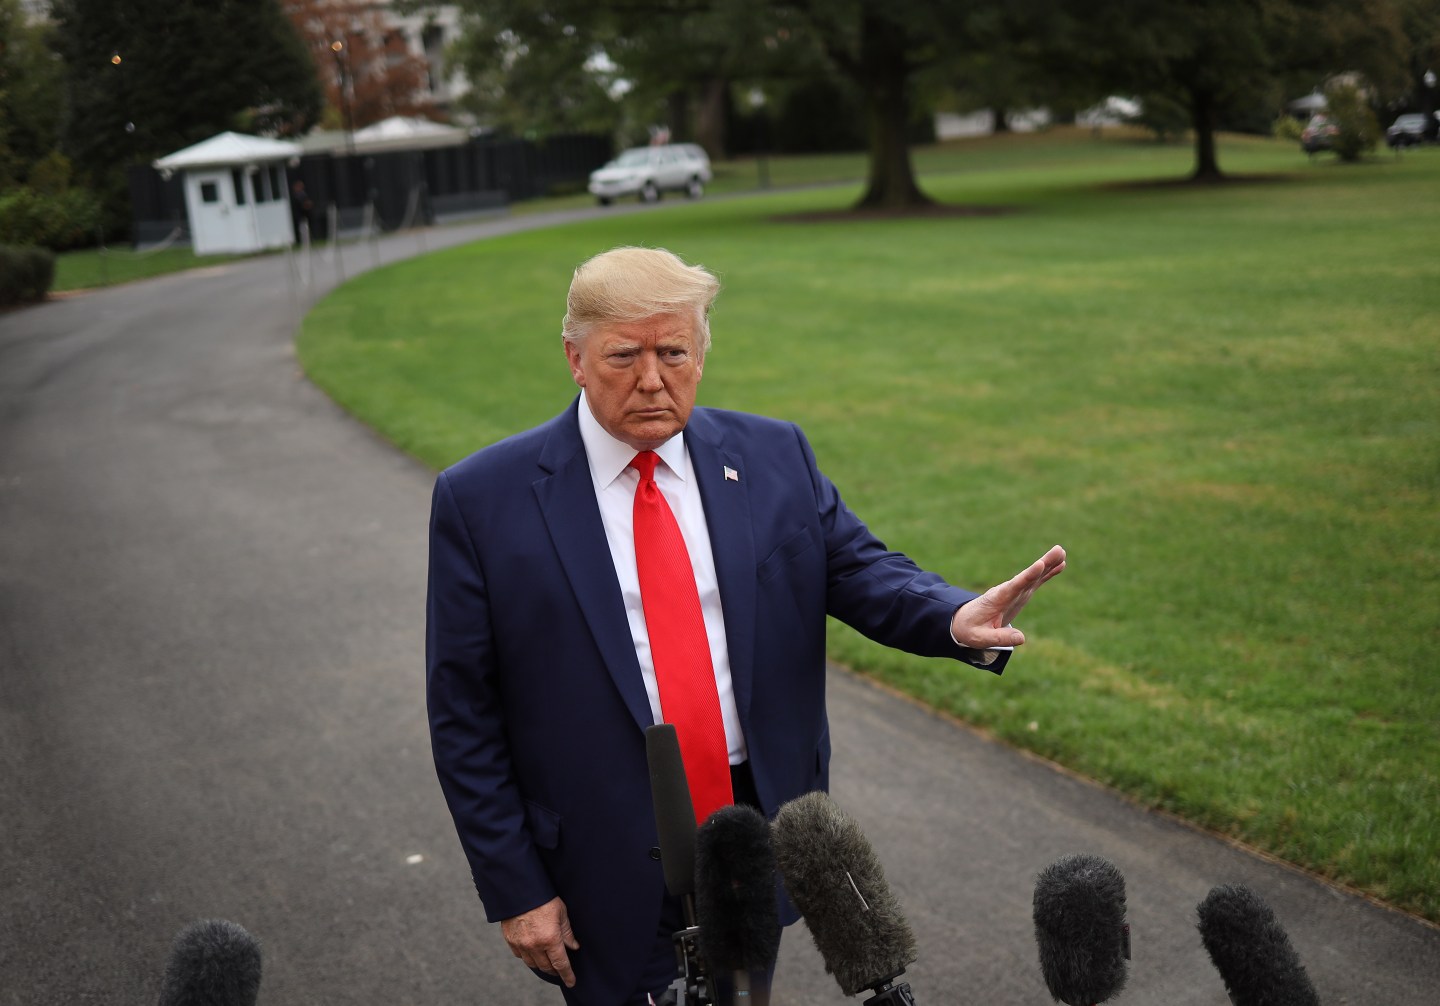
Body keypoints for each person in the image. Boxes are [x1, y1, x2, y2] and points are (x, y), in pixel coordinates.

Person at [426, 246, 1066, 1005]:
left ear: (701, 351)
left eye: (675, 352)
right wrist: (515, 887)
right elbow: (463, 712)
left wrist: (951, 616)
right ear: (574, 358)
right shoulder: (483, 500)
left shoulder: (771, 455)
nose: (654, 378)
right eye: (624, 356)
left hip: (747, 823)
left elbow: (855, 567)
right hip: (598, 843)